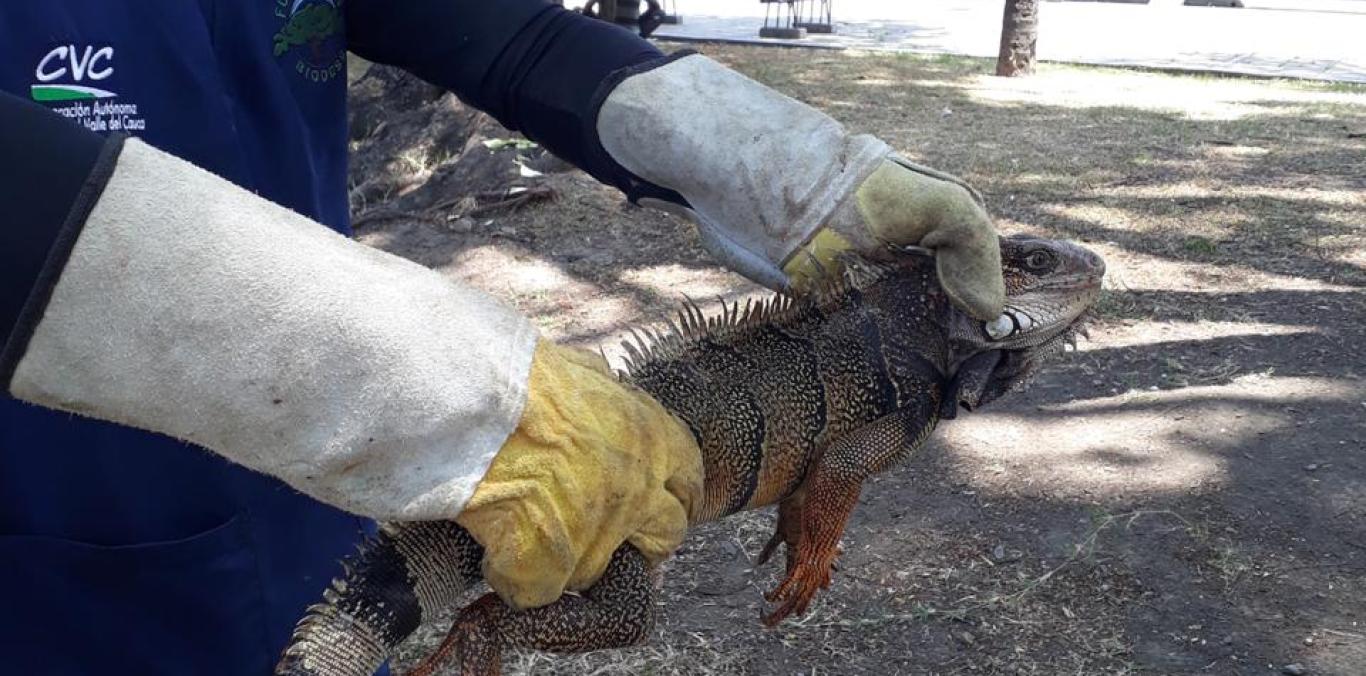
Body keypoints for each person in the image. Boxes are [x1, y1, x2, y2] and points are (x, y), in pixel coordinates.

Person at [0, 1, 1004, 673]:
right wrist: (439, 384)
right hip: (55, 506)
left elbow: (503, 34)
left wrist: (798, 170)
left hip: (321, 491)